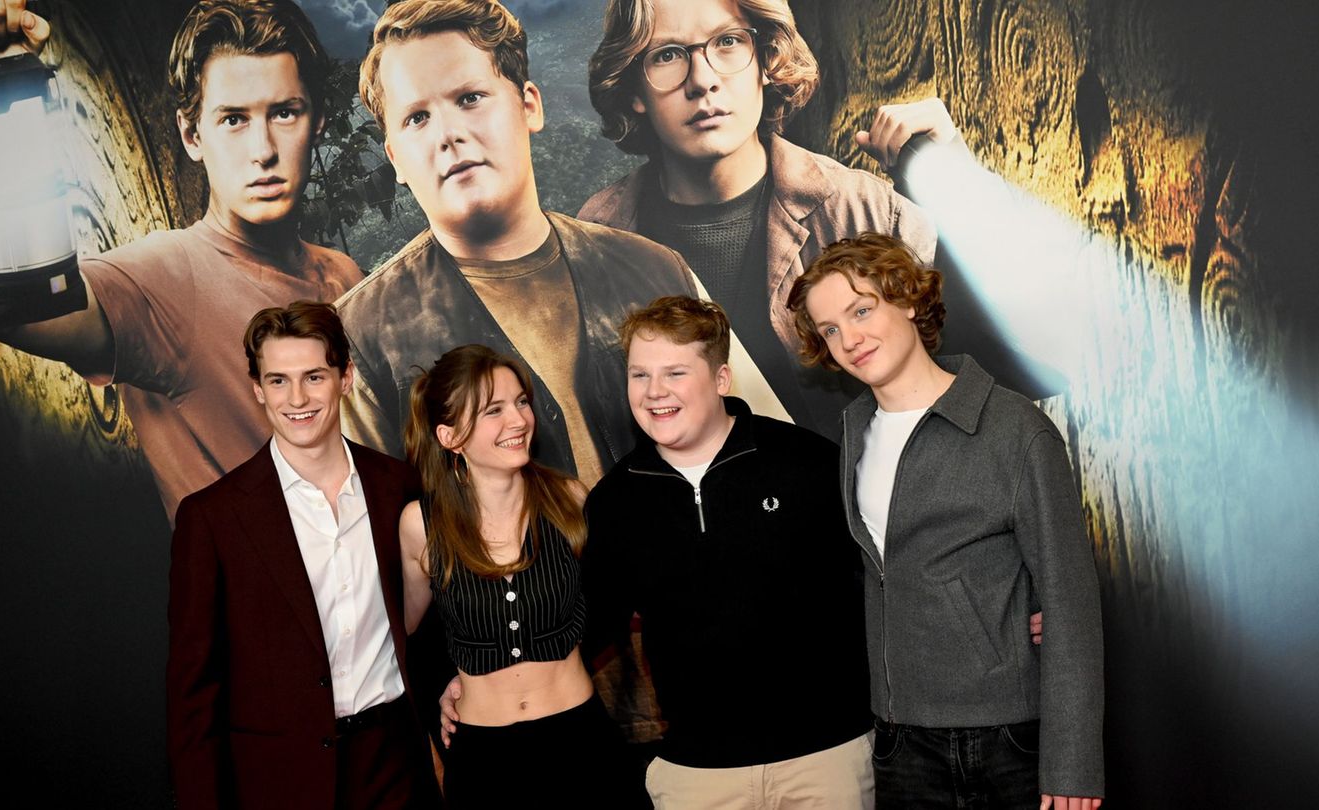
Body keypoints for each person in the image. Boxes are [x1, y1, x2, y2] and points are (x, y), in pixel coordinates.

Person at [0, 0, 360, 522]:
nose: (263, 149)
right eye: (233, 119)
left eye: (284, 112)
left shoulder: (343, 276)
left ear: (317, 121)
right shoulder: (168, 276)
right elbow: (0, 310)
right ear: (192, 135)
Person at [580, 0, 1047, 437]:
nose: (703, 80)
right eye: (667, 55)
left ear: (766, 60)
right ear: (634, 90)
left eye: (728, 42)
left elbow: (1027, 369)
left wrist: (962, 184)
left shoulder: (862, 211)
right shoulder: (595, 238)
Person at [788, 232, 1104, 810]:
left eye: (861, 311)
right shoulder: (854, 432)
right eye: (830, 329)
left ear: (908, 300)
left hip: (1006, 736)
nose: (849, 340)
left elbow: (1070, 602)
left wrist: (1073, 765)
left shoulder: (1014, 429)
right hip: (899, 738)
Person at [338, 0, 703, 488]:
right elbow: (375, 525)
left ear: (529, 105)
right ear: (395, 159)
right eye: (417, 118)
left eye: (470, 98)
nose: (449, 134)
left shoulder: (657, 272)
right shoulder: (358, 338)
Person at [582, 295, 875, 806]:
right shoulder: (615, 501)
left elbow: (882, 585)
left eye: (675, 373)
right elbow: (587, 628)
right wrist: (478, 685)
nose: (654, 392)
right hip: (697, 773)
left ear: (721, 379)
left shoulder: (807, 463)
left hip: (825, 758)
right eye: (640, 375)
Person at [167, 301, 439, 809]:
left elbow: (428, 618)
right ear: (258, 389)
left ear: (345, 378)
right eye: (278, 381)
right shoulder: (212, 518)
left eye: (314, 377)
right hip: (281, 779)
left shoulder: (397, 486)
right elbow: (193, 692)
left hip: (396, 763)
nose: (297, 399)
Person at [398, 343, 635, 807]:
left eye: (521, 402)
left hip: (581, 743)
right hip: (484, 760)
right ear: (450, 437)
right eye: (494, 410)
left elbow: (610, 602)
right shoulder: (421, 526)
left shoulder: (569, 500)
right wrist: (444, 683)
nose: (519, 420)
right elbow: (406, 633)